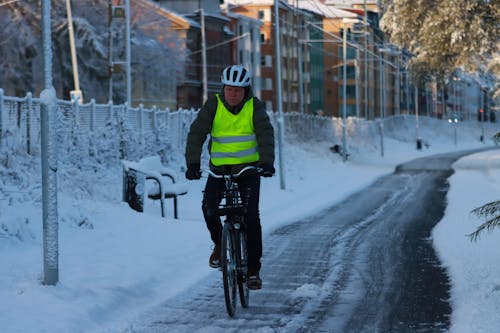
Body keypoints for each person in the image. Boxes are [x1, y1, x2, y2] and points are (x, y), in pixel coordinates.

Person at [184, 65, 275, 290]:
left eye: (238, 90)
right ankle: (218, 245)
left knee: (251, 216)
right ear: (223, 88)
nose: (233, 94)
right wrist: (193, 163)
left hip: (248, 171)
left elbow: (265, 134)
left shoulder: (255, 107)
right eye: (229, 89)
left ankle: (253, 269)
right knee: (208, 208)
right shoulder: (213, 105)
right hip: (219, 170)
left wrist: (266, 163)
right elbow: (197, 133)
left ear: (246, 90)